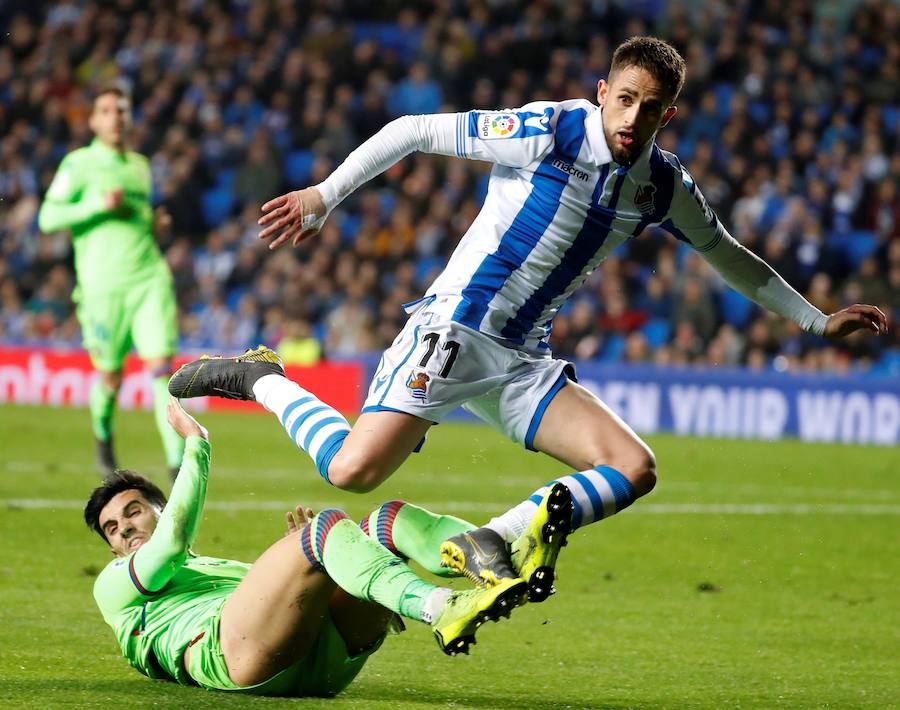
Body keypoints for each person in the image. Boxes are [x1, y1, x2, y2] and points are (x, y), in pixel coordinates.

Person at [169, 37, 888, 600]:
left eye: (651, 107)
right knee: (353, 472)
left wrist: (816, 322)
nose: (634, 118)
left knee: (634, 467)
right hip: (455, 327)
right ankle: (262, 378)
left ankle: (495, 537)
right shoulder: (550, 129)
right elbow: (416, 128)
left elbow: (731, 256)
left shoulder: (664, 184)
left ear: (669, 115)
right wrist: (326, 193)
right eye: (625, 99)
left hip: (522, 357)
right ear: (604, 92)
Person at [85, 397, 539, 697]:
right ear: (111, 548)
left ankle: (500, 557)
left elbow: (273, 603)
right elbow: (172, 543)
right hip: (229, 657)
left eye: (133, 511)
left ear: (160, 510)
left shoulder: (217, 570)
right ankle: (440, 607)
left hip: (323, 667)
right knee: (325, 528)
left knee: (387, 521)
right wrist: (196, 445)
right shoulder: (114, 585)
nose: (124, 530)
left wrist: (315, 564)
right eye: (112, 528)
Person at [38, 84, 184, 479]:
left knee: (160, 369)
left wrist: (158, 225)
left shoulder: (140, 165)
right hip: (102, 287)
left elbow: (142, 222)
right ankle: (103, 437)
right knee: (110, 376)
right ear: (93, 120)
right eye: (106, 110)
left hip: (149, 278)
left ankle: (176, 463)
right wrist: (98, 206)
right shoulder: (79, 164)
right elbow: (48, 218)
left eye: (121, 110)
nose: (115, 116)